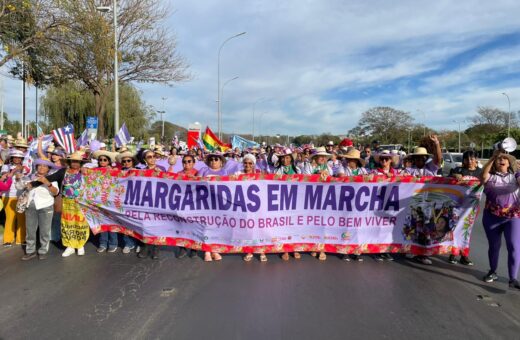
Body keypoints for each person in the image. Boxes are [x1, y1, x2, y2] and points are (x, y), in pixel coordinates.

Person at [481, 149, 520, 289]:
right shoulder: (491, 177)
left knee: (514, 247)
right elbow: (483, 177)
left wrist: (516, 169)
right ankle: (492, 271)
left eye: (504, 158)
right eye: (499, 159)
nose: (501, 160)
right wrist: (492, 158)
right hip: (492, 217)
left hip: (513, 217)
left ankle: (513, 279)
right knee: (494, 246)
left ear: (509, 162)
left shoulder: (515, 176)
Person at [18, 159, 59, 260]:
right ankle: (30, 251)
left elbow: (55, 192)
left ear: (48, 169)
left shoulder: (52, 179)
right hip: (30, 206)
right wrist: (18, 179)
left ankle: (43, 250)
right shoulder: (30, 177)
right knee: (30, 230)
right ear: (36, 167)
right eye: (39, 165)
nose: (41, 167)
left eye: (45, 166)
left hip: (46, 206)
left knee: (45, 231)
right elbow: (19, 187)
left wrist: (47, 183)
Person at [446, 150, 482, 266]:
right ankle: (453, 254)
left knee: (467, 231)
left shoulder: (481, 173)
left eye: (472, 158)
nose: (470, 161)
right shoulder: (458, 170)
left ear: (476, 159)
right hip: (457, 207)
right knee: (456, 230)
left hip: (471, 208)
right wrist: (454, 176)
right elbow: (445, 181)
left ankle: (464, 255)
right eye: (467, 159)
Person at [370, 150, 401, 261]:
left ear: (390, 160)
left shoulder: (397, 173)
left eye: (386, 159)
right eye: (382, 159)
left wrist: (393, 177)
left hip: (391, 203)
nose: (384, 161)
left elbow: (406, 180)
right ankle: (378, 250)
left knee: (388, 227)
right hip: (377, 202)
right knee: (377, 226)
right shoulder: (374, 172)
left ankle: (386, 250)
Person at [238, 154, 268, 262]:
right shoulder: (238, 174)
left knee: (260, 228)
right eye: (245, 163)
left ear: (254, 164)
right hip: (244, 206)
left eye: (250, 163)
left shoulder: (260, 175)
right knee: (248, 228)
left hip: (259, 206)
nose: (247, 165)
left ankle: (261, 250)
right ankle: (249, 250)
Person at [61, 151, 90, 257]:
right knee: (67, 223)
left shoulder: (85, 172)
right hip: (66, 201)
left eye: (78, 161)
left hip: (80, 202)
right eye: (73, 161)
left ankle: (80, 245)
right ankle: (70, 246)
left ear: (81, 163)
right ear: (70, 161)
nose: (75, 163)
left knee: (80, 223)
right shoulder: (64, 171)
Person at [138, 149, 165, 260]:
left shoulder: (162, 169)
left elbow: (169, 182)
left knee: (157, 225)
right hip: (146, 202)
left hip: (158, 201)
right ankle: (146, 246)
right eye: (149, 157)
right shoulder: (141, 171)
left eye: (154, 156)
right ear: (145, 160)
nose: (152, 158)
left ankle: (156, 248)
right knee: (146, 225)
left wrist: (161, 174)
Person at [92, 150, 118, 253]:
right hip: (99, 200)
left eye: (105, 160)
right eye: (100, 160)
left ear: (109, 162)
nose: (102, 161)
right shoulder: (94, 170)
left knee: (111, 223)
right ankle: (103, 243)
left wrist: (114, 170)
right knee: (102, 223)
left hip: (111, 201)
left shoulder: (114, 171)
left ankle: (113, 243)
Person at [2, 149, 29, 247]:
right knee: (10, 218)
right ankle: (8, 239)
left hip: (21, 195)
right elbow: (5, 175)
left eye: (19, 157)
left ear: (22, 158)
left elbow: (27, 174)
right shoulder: (6, 166)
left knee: (22, 218)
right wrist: (13, 171)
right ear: (12, 158)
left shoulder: (25, 168)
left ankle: (21, 239)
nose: (17, 159)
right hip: (8, 195)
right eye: (15, 157)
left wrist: (20, 170)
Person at [175, 154, 200, 259]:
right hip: (183, 203)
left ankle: (194, 248)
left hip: (196, 203)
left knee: (195, 225)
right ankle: (183, 247)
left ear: (193, 163)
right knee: (182, 225)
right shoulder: (178, 174)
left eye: (189, 161)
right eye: (184, 162)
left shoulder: (199, 173)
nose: (187, 163)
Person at [116, 150, 141, 254]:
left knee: (138, 224)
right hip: (124, 201)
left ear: (133, 162)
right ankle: (128, 243)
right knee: (126, 223)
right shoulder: (118, 172)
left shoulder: (139, 171)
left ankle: (139, 243)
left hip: (137, 201)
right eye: (124, 161)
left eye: (128, 161)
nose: (126, 163)